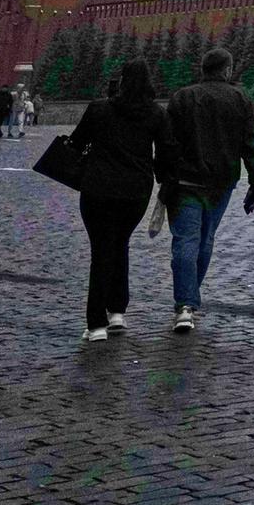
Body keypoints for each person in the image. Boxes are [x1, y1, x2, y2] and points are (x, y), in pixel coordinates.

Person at [161, 49, 254, 334]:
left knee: (184, 240)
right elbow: (250, 144)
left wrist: (164, 176)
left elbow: (167, 142)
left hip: (184, 182)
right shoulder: (240, 98)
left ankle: (184, 305)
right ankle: (190, 301)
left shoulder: (182, 97)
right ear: (227, 70)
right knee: (205, 239)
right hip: (221, 183)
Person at [70, 61, 169, 342]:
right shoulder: (156, 114)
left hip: (97, 190)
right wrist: (163, 181)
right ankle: (117, 311)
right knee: (119, 244)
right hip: (135, 193)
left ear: (122, 80)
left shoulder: (99, 109)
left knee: (101, 251)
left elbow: (76, 143)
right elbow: (165, 154)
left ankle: (96, 324)